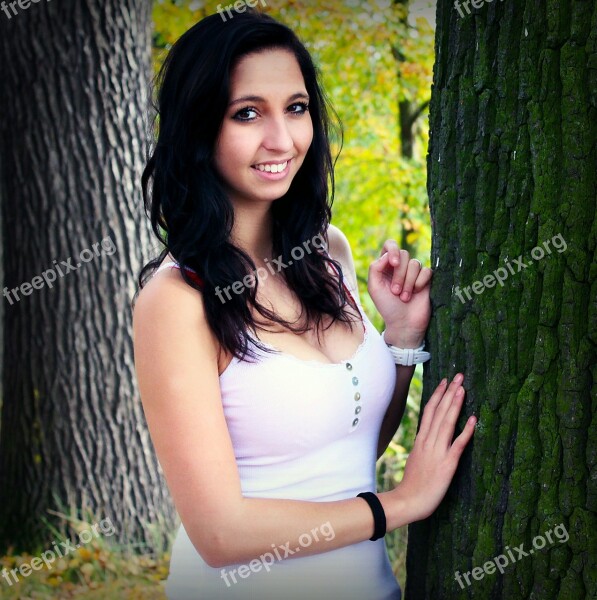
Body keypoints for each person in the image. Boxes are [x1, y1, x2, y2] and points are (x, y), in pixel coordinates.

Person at [132, 8, 476, 600]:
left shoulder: (326, 251)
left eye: (295, 108)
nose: (282, 140)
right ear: (197, 128)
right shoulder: (177, 301)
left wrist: (399, 341)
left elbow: (352, 441)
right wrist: (401, 503)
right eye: (247, 113)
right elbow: (219, 532)